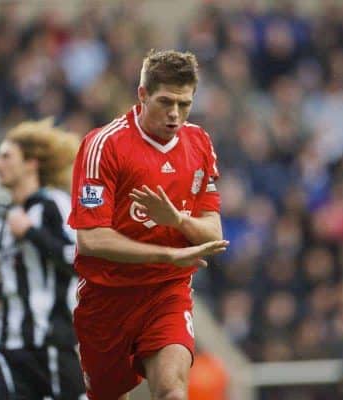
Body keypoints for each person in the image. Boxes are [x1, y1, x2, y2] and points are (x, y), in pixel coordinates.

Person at [68, 49, 229, 400]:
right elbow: (91, 239)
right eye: (165, 102)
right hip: (107, 298)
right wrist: (167, 255)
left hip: (166, 293)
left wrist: (177, 220)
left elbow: (213, 232)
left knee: (173, 391)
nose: (175, 114)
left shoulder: (199, 144)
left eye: (184, 104)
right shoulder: (104, 146)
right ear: (142, 95)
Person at [0, 118, 85, 399]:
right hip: (9, 346)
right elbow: (23, 282)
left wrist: (32, 233)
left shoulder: (54, 206)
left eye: (6, 156)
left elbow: (80, 262)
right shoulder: (4, 221)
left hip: (51, 344)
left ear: (31, 163)